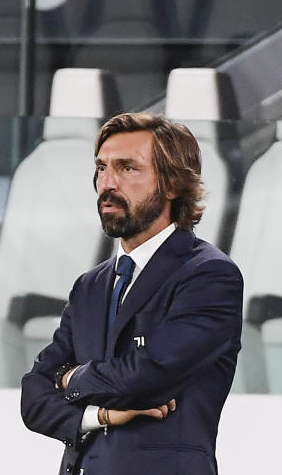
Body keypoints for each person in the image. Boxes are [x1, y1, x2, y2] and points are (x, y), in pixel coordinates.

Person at [21, 112, 243, 475]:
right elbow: (33, 397)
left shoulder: (209, 275)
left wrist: (70, 378)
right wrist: (102, 415)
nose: (107, 183)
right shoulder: (89, 285)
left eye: (127, 168)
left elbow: (147, 376)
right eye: (101, 168)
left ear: (172, 184)